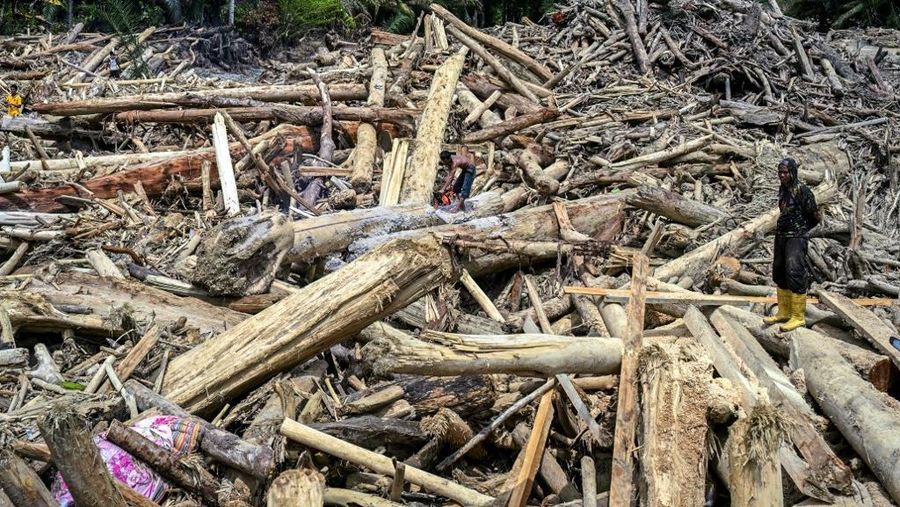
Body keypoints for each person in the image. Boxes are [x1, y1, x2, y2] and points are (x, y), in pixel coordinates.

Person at [764, 157, 821, 331]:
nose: (782, 175)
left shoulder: (802, 191)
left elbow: (814, 216)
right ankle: (784, 312)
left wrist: (800, 230)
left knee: (794, 271)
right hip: (781, 235)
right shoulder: (783, 189)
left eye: (785, 172)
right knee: (779, 271)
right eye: (780, 172)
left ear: (793, 172)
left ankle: (798, 316)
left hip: (796, 237)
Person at [438, 149, 476, 213]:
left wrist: (443, 189)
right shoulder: (448, 159)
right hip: (465, 169)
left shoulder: (455, 162)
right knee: (456, 188)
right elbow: (450, 174)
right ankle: (461, 205)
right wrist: (448, 186)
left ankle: (458, 208)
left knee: (465, 189)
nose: (444, 163)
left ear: (447, 159)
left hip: (470, 169)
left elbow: (451, 177)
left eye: (444, 162)